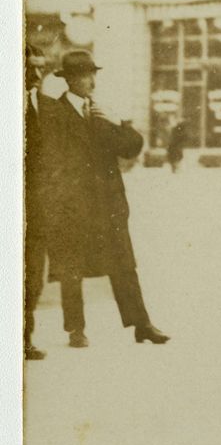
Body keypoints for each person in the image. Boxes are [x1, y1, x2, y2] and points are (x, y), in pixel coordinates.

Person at [40, 50, 170, 348]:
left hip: (108, 205)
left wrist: (118, 121)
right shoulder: (55, 114)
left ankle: (142, 324)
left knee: (124, 263)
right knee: (72, 268)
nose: (92, 80)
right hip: (74, 205)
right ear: (70, 79)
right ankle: (76, 329)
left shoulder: (100, 112)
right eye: (86, 75)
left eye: (93, 74)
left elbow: (131, 148)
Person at [24, 45, 49, 360]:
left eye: (41, 68)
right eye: (31, 67)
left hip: (38, 208)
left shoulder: (44, 106)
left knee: (32, 276)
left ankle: (23, 338)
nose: (38, 74)